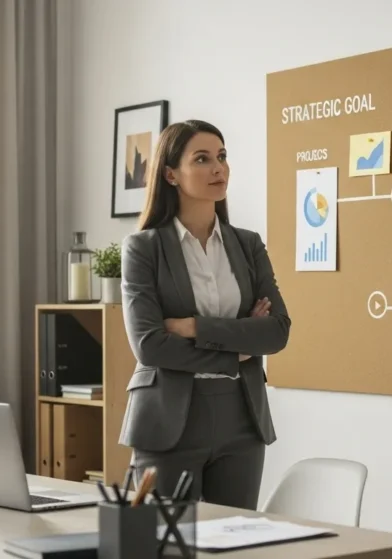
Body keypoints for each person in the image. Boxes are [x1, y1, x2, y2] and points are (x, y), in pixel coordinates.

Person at [118, 119, 290, 510]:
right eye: (202, 159)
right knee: (160, 545)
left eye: (222, 156)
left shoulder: (248, 245)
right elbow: (150, 346)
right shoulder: (143, 248)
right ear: (170, 174)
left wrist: (194, 327)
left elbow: (277, 332)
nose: (219, 168)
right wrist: (238, 344)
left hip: (242, 420)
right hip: (167, 421)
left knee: (231, 542)